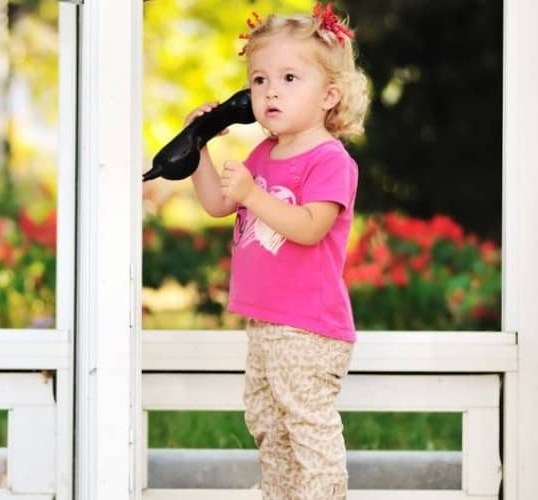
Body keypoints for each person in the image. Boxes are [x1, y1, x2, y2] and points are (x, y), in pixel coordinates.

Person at [185, 3, 369, 499]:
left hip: (308, 326)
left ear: (329, 95)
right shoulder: (263, 153)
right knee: (270, 428)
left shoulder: (330, 159)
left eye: (289, 78)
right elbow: (217, 202)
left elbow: (310, 227)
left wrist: (252, 194)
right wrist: (199, 146)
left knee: (308, 432)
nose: (271, 92)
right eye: (260, 80)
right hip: (265, 322)